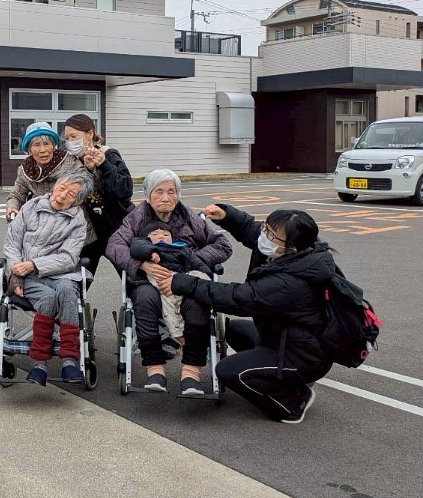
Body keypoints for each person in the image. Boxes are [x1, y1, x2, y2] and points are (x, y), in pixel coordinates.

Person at [152, 204, 335, 424]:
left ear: (291, 248)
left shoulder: (293, 280)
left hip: (305, 356)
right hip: (284, 337)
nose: (264, 236)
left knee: (228, 371)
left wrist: (183, 282)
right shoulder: (285, 251)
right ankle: (283, 377)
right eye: (266, 228)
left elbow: (238, 298)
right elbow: (251, 229)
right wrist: (227, 215)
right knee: (231, 330)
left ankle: (294, 401)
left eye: (271, 235)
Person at [106, 169, 232, 396]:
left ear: (178, 195)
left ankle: (191, 373)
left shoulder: (189, 217)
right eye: (159, 192)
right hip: (148, 281)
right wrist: (141, 265)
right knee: (145, 299)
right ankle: (155, 370)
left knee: (197, 302)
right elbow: (114, 246)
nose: (165, 198)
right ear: (148, 196)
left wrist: (190, 261)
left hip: (185, 280)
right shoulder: (136, 217)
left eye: (171, 192)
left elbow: (223, 245)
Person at [2, 173, 93, 385]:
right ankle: (39, 364)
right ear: (55, 186)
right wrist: (16, 273)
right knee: (48, 298)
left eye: (71, 194)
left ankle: (69, 360)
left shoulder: (78, 220)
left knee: (68, 291)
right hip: (27, 276)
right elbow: (12, 244)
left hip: (61, 273)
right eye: (62, 188)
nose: (62, 195)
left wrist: (34, 264)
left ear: (78, 201)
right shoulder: (31, 207)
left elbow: (69, 258)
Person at [61, 114, 135, 274]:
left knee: (130, 276)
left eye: (74, 136)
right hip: (89, 233)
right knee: (79, 279)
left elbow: (125, 191)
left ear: (90, 134)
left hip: (116, 227)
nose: (70, 141)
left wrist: (103, 165)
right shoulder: (71, 162)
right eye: (67, 138)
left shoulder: (109, 155)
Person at [129, 221, 212, 346]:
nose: (161, 236)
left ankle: (211, 295)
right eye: (155, 234)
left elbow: (196, 262)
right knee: (169, 304)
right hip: (160, 278)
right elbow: (137, 247)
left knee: (199, 276)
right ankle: (178, 335)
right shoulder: (144, 244)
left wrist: (206, 272)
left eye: (166, 234)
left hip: (181, 278)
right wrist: (151, 253)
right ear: (146, 238)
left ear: (173, 238)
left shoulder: (181, 248)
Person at [5, 121, 87, 221]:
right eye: (37, 145)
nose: (43, 150)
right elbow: (17, 195)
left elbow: (85, 181)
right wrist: (12, 207)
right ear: (29, 150)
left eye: (46, 144)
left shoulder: (69, 161)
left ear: (53, 146)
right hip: (40, 219)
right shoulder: (26, 169)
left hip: (70, 218)